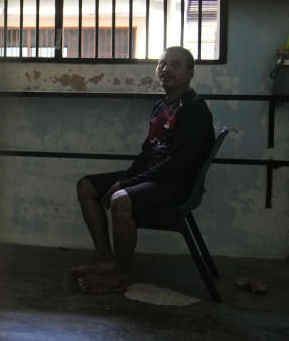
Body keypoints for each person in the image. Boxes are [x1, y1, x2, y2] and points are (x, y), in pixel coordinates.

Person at [73, 46, 215, 294]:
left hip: (177, 185)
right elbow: (147, 154)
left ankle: (118, 275)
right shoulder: (161, 106)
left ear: (191, 73)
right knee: (86, 186)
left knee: (120, 199)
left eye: (175, 64)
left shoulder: (194, 109)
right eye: (162, 64)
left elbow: (177, 165)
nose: (166, 69)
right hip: (155, 176)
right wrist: (127, 178)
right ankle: (105, 259)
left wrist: (125, 185)